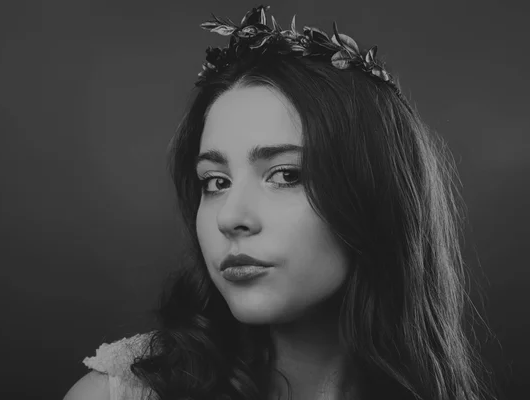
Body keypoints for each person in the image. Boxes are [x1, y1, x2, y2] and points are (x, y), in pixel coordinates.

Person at [64, 5, 499, 400]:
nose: (231, 217)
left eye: (286, 175)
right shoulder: (121, 394)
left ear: (373, 196)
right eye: (215, 182)